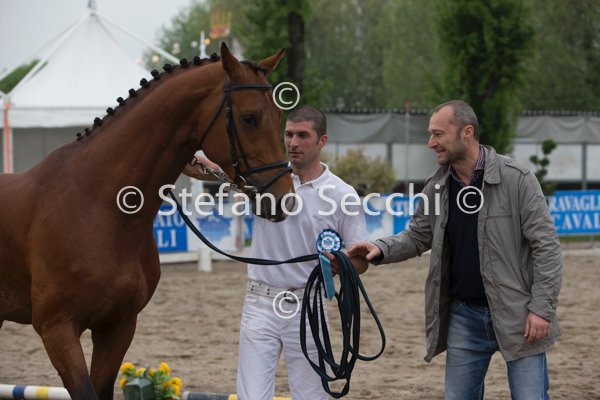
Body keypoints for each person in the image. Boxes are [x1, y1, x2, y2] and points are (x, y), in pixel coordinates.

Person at [348, 100, 562, 400]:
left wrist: (541, 309)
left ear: (467, 132)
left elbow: (547, 248)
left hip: (520, 315)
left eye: (438, 134)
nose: (430, 142)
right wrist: (380, 248)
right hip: (463, 318)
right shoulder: (436, 187)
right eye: (430, 134)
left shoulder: (518, 179)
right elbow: (418, 236)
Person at [186, 105, 368, 400]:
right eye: (289, 134)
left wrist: (343, 263)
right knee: (251, 396)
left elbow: (360, 258)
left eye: (303, 135)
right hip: (260, 302)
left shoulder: (342, 195)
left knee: (311, 396)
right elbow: (207, 168)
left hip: (308, 305)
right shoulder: (263, 180)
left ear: (322, 141)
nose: (293, 142)